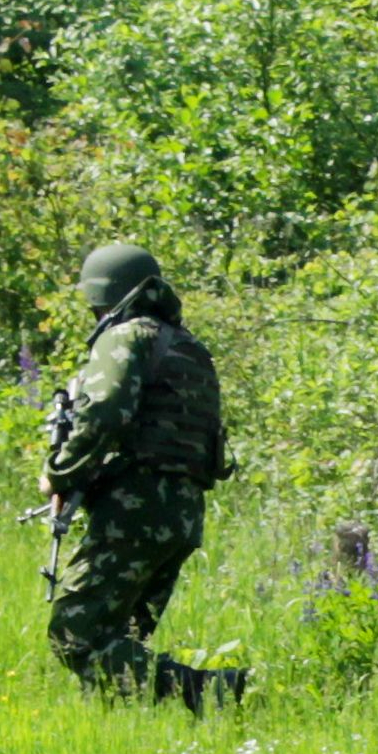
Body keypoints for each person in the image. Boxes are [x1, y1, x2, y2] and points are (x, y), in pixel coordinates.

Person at [42, 241, 241, 711]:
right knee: (121, 637)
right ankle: (123, 731)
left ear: (104, 298)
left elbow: (105, 413)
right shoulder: (189, 346)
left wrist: (59, 473)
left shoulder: (126, 336)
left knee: (76, 631)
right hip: (183, 514)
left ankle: (216, 693)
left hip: (135, 509)